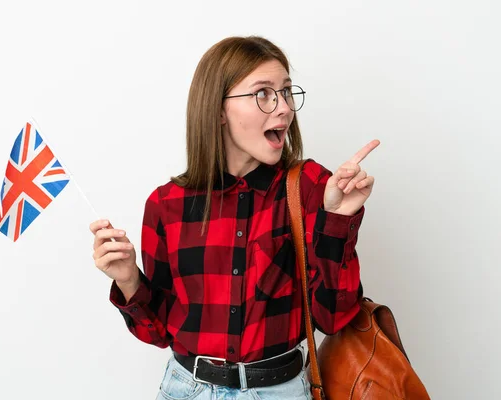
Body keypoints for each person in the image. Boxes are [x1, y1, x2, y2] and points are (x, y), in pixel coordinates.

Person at [89, 36, 379, 399]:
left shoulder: (309, 187)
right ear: (218, 109)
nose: (284, 108)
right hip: (185, 389)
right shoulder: (167, 205)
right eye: (263, 93)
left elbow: (334, 317)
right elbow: (159, 333)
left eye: (287, 92)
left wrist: (337, 219)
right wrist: (130, 279)